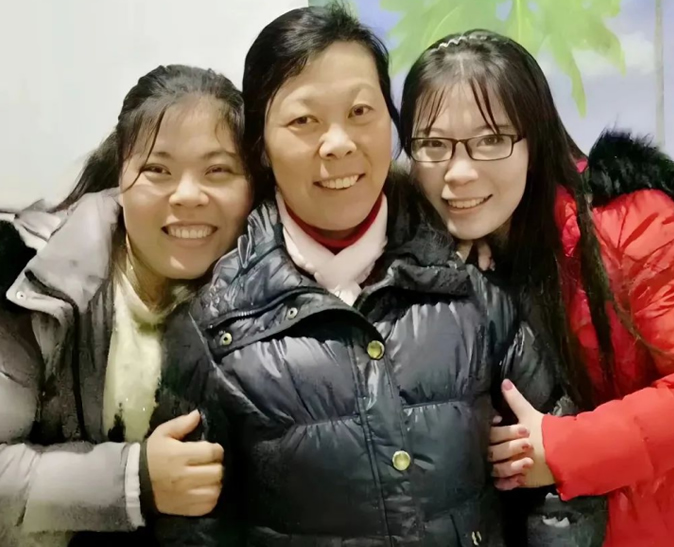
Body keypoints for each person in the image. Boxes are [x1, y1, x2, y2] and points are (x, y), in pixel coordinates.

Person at [152, 5, 557, 546]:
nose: (339, 142)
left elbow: (558, 476)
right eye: (304, 121)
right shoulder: (214, 329)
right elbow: (191, 531)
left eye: (361, 111)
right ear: (261, 147)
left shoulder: (469, 284)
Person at [401, 29, 674, 546]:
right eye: (434, 145)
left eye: (491, 140)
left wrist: (565, 448)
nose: (459, 172)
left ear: (535, 140)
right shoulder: (420, 254)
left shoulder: (631, 227)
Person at [0, 65, 254, 547]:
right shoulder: (33, 279)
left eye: (217, 170)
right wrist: (134, 481)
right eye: (158, 170)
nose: (187, 195)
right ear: (122, 173)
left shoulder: (272, 294)